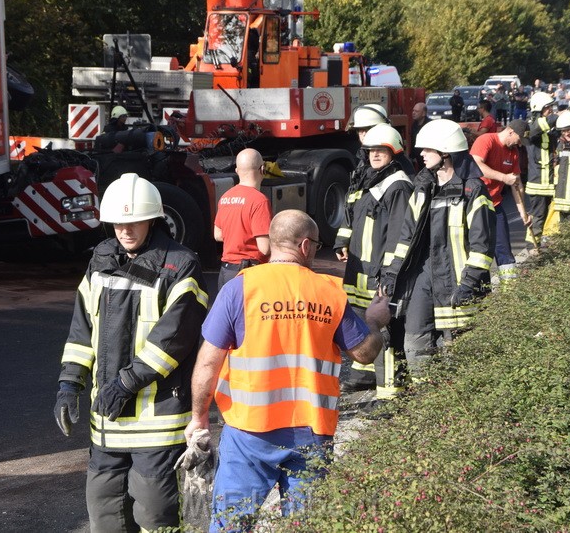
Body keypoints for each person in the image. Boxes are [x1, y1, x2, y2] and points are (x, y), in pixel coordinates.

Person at [186, 210, 390, 531]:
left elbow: (208, 362)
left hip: (249, 432)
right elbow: (364, 352)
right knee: (304, 526)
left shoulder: (240, 289)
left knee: (231, 525)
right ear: (306, 245)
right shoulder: (329, 292)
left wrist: (199, 418)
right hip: (311, 433)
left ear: (272, 244)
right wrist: (376, 320)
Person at [54, 173, 209, 533]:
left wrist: (125, 383)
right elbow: (82, 329)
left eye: (133, 222)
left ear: (153, 218)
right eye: (118, 223)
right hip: (106, 422)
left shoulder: (181, 264)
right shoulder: (102, 259)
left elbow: (175, 338)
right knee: (104, 515)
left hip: (157, 422)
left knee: (156, 516)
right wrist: (69, 383)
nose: (124, 230)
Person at [381, 119, 495, 378]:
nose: (420, 154)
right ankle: (426, 402)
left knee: (460, 348)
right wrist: (392, 273)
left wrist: (469, 283)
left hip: (458, 281)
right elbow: (406, 237)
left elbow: (482, 245)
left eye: (427, 149)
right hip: (423, 279)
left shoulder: (473, 190)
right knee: (415, 342)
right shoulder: (423, 187)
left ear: (445, 152)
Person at [334, 124, 413, 397]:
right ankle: (375, 383)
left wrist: (388, 274)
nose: (375, 155)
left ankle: (390, 395)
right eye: (371, 150)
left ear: (393, 152)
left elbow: (397, 236)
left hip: (378, 273)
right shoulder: (373, 179)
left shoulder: (398, 185)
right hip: (362, 269)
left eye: (381, 150)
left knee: (388, 333)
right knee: (367, 328)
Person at [469, 119, 531, 283]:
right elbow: (476, 165)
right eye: (519, 139)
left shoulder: (514, 152)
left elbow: (517, 184)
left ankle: (509, 290)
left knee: (503, 247)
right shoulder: (486, 140)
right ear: (511, 131)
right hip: (474, 205)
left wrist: (523, 213)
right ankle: (478, 287)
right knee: (478, 250)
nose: (519, 144)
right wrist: (503, 177)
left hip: (495, 204)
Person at [215, 149, 272, 291]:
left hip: (226, 271)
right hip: (249, 273)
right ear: (263, 169)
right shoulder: (259, 201)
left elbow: (218, 235)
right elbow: (265, 248)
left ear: (236, 170)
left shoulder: (226, 197)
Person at [524, 92, 559, 250]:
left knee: (552, 217)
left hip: (550, 182)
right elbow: (545, 124)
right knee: (538, 218)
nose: (551, 110)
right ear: (539, 109)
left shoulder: (546, 128)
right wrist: (559, 115)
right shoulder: (533, 126)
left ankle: (545, 246)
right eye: (548, 108)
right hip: (538, 184)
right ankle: (532, 249)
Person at [410, 101, 429, 170]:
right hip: (417, 157)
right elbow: (412, 141)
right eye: (413, 111)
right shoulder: (414, 125)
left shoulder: (429, 125)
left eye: (416, 111)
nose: (413, 113)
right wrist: (412, 156)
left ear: (423, 113)